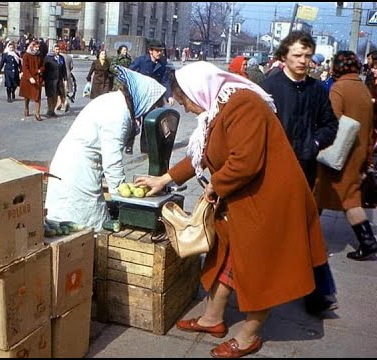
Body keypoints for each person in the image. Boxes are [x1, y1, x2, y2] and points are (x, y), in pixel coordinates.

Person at [134, 61, 328, 358]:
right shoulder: (220, 106)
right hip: (248, 196)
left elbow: (244, 162)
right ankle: (212, 318)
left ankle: (249, 336)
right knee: (228, 257)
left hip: (271, 200)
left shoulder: (242, 104)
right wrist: (165, 178)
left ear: (197, 91)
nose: (185, 108)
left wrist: (215, 186)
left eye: (184, 100)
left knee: (259, 268)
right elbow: (204, 156)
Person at [260, 31, 339, 316]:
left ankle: (317, 295)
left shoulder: (317, 90)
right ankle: (265, 287)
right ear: (284, 57)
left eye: (307, 55)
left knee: (308, 234)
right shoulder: (269, 87)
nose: (304, 61)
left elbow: (330, 124)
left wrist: (315, 143)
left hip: (306, 173)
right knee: (271, 233)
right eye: (297, 55)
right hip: (273, 174)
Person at [44, 67, 166, 231]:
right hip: (77, 171)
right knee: (81, 226)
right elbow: (112, 160)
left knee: (80, 223)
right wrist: (122, 192)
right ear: (144, 100)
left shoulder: (117, 102)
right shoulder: (118, 115)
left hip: (79, 165)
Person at [314, 51, 377, 261]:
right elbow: (369, 130)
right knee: (350, 198)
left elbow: (332, 122)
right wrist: (367, 159)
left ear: (337, 68)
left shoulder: (339, 89)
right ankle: (368, 242)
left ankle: (306, 238)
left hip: (338, 155)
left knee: (319, 195)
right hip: (357, 154)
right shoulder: (363, 89)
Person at [126, 39, 174, 155]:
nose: (159, 53)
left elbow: (165, 80)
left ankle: (145, 147)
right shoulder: (141, 61)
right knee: (134, 121)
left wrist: (169, 96)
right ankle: (129, 144)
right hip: (139, 96)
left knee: (148, 122)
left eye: (160, 51)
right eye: (157, 51)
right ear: (150, 51)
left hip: (152, 97)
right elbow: (129, 73)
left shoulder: (162, 64)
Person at [19, 40, 44, 121]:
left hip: (37, 78)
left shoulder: (39, 55)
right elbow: (25, 68)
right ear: (32, 46)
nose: (37, 49)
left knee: (37, 96)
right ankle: (26, 108)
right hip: (28, 78)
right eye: (36, 47)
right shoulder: (26, 55)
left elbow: (42, 65)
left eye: (38, 47)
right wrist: (30, 77)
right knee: (27, 95)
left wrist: (40, 70)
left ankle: (37, 113)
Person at [43, 43, 67, 117]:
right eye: (56, 49)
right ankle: (49, 110)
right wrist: (43, 80)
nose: (57, 51)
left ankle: (53, 110)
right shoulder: (48, 58)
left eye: (58, 49)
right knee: (50, 96)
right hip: (50, 80)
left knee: (56, 95)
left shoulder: (61, 58)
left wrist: (65, 79)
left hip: (58, 80)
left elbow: (64, 69)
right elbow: (45, 69)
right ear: (53, 50)